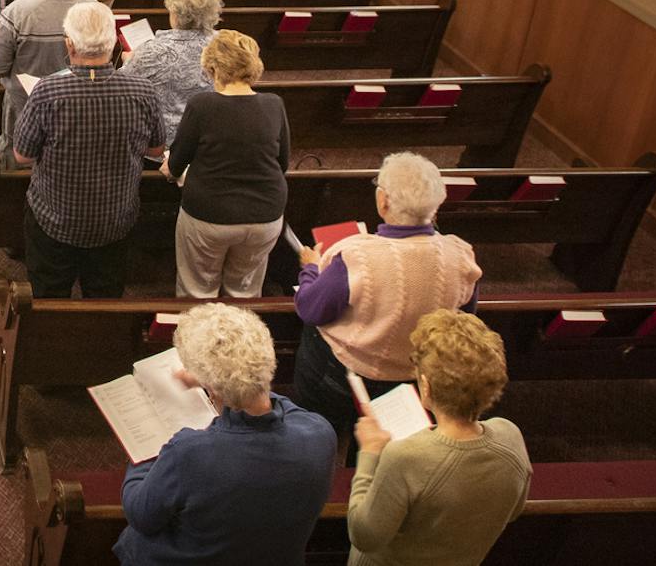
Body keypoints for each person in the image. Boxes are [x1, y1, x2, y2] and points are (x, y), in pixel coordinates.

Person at [117, 303, 337, 566]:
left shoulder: (189, 452)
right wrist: (229, 382)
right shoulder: (320, 433)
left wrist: (141, 453)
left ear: (211, 388)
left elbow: (140, 514)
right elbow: (275, 405)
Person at [293, 152, 484, 442]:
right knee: (381, 445)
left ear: (383, 201)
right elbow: (463, 319)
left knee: (319, 427)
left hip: (342, 375)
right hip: (412, 379)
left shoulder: (356, 255)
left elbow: (310, 308)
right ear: (436, 206)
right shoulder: (461, 256)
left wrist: (310, 268)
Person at [346, 309, 531, 566]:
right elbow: (513, 510)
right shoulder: (509, 435)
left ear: (427, 386)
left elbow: (364, 536)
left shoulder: (403, 457)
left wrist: (369, 452)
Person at [9, 0, 162, 298]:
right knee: (105, 295)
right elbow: (156, 150)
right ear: (113, 43)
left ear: (69, 44)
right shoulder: (143, 90)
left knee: (49, 294)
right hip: (115, 218)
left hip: (55, 218)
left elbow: (22, 155)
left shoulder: (47, 92)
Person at [165, 31, 290, 299]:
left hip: (209, 213)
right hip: (265, 213)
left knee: (198, 289)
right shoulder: (274, 104)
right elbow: (283, 163)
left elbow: (177, 162)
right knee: (244, 291)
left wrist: (171, 169)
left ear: (213, 68)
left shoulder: (202, 105)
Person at [0, 0, 95, 154]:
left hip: (23, 109)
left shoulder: (16, 12)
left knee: (16, 157)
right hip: (78, 110)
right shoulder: (95, 10)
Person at [120, 0, 222, 144]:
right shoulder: (225, 44)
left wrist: (129, 61)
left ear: (174, 12)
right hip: (210, 139)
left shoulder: (152, 51)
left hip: (162, 143)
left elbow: (121, 85)